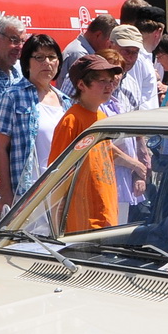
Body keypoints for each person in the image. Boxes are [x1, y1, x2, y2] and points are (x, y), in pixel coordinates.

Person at [49, 54, 127, 231]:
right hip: (82, 221)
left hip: (106, 213)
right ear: (82, 85)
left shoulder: (101, 116)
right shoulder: (71, 120)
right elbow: (57, 176)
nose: (109, 86)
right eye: (102, 81)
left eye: (110, 80)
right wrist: (57, 224)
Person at [0, 33, 70, 210]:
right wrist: (5, 193)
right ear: (27, 63)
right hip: (27, 192)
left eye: (52, 57)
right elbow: (1, 148)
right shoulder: (13, 96)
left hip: (60, 190)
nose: (47, 63)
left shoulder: (65, 101)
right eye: (39, 57)